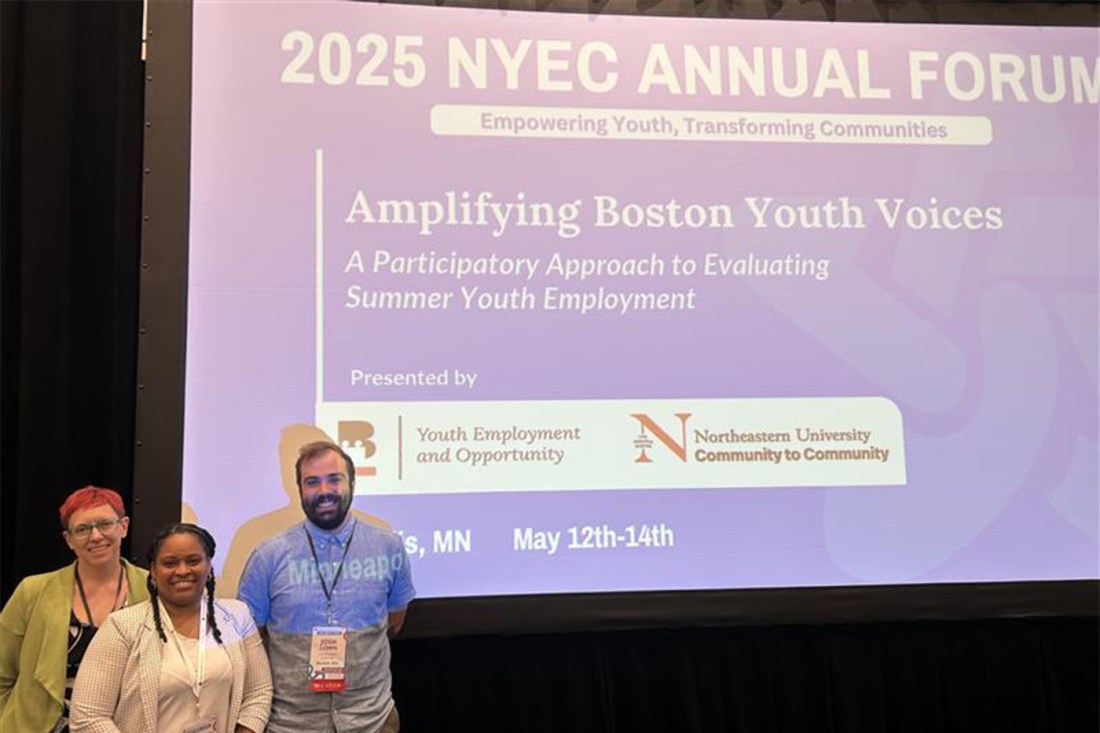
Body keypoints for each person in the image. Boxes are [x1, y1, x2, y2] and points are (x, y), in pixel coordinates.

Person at [239, 440, 415, 733]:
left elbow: (394, 622)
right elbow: (251, 643)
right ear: (299, 489)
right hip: (290, 725)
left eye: (334, 479)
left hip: (372, 720)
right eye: (312, 482)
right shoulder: (267, 557)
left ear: (352, 483)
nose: (324, 491)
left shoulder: (389, 548)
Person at [70, 524, 272, 733]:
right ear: (153, 570)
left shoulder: (237, 616)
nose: (182, 571)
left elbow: (259, 692)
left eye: (193, 561)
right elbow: (88, 716)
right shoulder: (122, 627)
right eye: (170, 563)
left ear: (209, 566)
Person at [0, 486, 149, 733]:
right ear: (68, 540)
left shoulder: (153, 590)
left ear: (123, 526)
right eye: (82, 529)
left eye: (105, 524)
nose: (95, 536)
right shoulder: (32, 591)